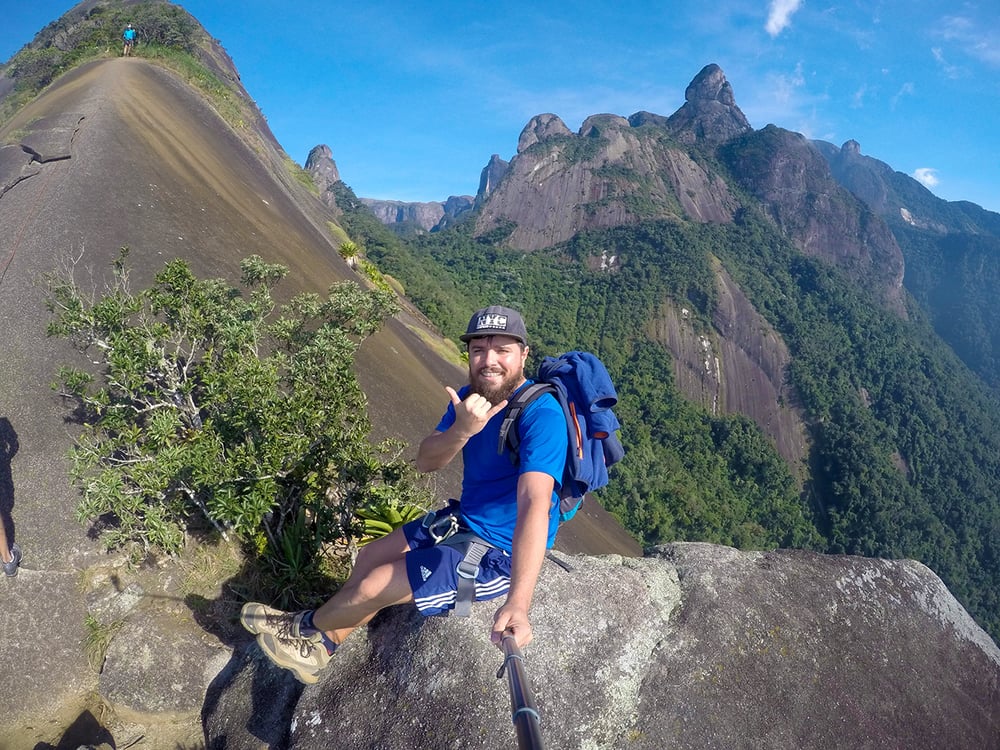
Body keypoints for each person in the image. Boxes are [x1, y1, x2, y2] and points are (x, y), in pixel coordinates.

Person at [241, 305, 568, 684]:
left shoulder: (542, 415)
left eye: (502, 351)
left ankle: (306, 629)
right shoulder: (467, 399)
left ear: (524, 355)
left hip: (497, 552)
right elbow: (427, 461)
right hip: (464, 521)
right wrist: (462, 429)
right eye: (478, 350)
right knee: (371, 556)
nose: (488, 361)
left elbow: (534, 505)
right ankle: (324, 641)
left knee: (374, 584)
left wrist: (518, 602)